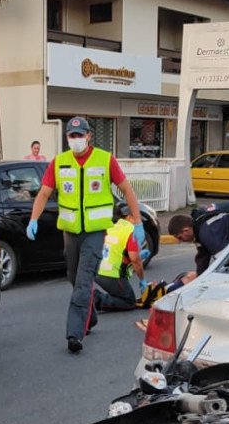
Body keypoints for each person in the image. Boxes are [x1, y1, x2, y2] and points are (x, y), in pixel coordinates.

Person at [25, 116, 143, 353]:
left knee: (83, 280)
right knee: (73, 277)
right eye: (72, 136)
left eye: (80, 135)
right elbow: (44, 194)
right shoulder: (59, 162)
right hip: (71, 233)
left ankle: (75, 333)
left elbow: (126, 189)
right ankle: (90, 317)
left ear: (89, 136)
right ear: (67, 138)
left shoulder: (105, 159)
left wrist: (138, 221)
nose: (76, 139)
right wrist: (33, 219)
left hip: (95, 233)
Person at [167, 198, 229, 281]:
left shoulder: (208, 231)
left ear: (186, 230)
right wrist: (199, 280)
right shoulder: (199, 226)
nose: (181, 241)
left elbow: (225, 260)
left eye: (180, 237)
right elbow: (203, 258)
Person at [94, 203, 148, 312]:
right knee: (129, 301)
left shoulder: (111, 226)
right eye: (136, 219)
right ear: (128, 217)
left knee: (121, 293)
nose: (138, 222)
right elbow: (135, 260)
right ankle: (96, 299)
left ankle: (96, 297)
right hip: (111, 274)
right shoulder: (130, 230)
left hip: (97, 271)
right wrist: (142, 280)